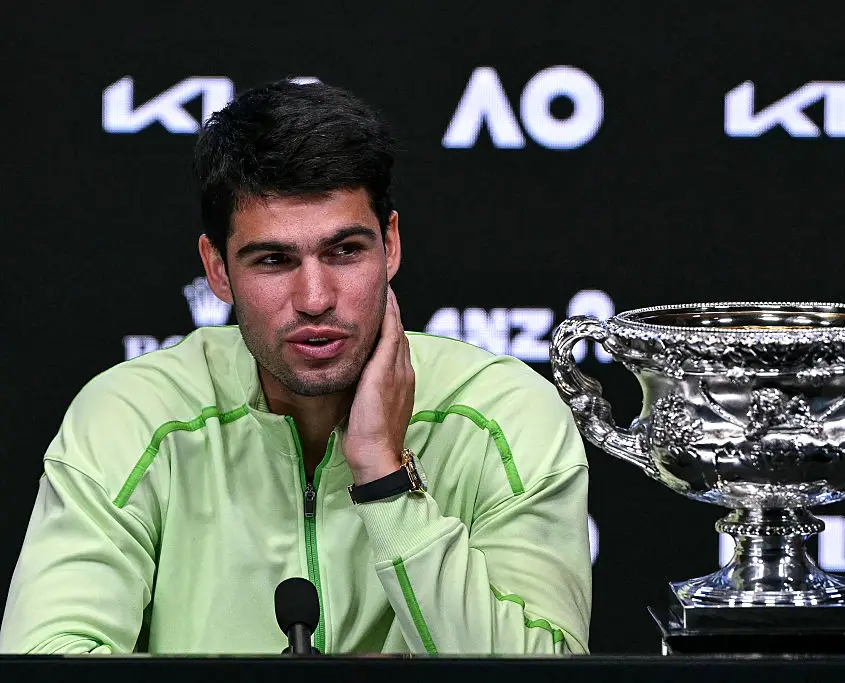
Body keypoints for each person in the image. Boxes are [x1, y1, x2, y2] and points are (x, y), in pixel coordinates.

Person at [0, 80, 592, 655]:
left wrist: (385, 481)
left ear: (391, 245)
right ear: (217, 269)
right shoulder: (132, 416)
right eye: (274, 260)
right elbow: (46, 659)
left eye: (345, 252)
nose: (314, 298)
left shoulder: (504, 415)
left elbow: (546, 667)